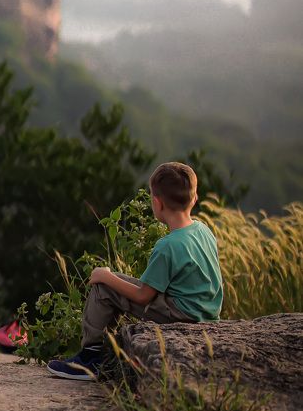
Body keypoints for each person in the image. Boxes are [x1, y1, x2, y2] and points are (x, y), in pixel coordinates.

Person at [47, 161, 223, 379]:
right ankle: (105, 351)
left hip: (183, 315)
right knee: (114, 280)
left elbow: (143, 296)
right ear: (194, 199)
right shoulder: (203, 230)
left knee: (104, 287)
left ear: (157, 203)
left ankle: (91, 358)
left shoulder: (168, 246)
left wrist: (105, 276)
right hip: (206, 314)